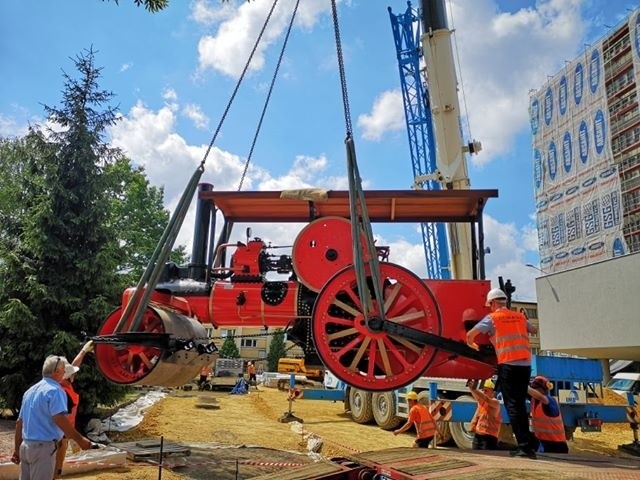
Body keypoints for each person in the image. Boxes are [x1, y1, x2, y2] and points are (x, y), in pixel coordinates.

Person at [466, 287, 538, 459]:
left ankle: (524, 447)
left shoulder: (493, 318)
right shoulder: (519, 316)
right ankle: (527, 444)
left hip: (509, 365)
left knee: (513, 406)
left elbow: (470, 334)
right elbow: (534, 330)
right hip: (526, 365)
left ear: (492, 303)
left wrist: (474, 345)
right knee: (520, 404)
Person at [12, 355, 94, 480]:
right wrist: (80, 440)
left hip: (26, 447)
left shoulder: (30, 391)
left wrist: (17, 450)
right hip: (43, 449)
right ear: (57, 372)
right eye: (63, 370)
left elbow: (19, 423)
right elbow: (59, 419)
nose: (65, 372)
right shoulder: (55, 390)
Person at [54, 341, 94, 478]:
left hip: (63, 433)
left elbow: (73, 366)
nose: (74, 375)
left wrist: (84, 351)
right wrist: (78, 438)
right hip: (59, 435)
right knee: (56, 466)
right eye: (73, 374)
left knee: (55, 464)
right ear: (69, 377)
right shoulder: (62, 392)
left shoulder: (62, 384)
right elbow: (60, 418)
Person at [528, 375, 569, 454]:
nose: (533, 392)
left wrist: (522, 385)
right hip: (544, 444)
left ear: (542, 390)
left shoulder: (550, 401)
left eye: (535, 389)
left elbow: (541, 397)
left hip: (557, 446)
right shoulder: (534, 401)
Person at [468, 378, 502, 450]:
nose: (483, 392)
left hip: (489, 438)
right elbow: (477, 397)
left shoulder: (495, 402)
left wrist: (474, 389)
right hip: (478, 436)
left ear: (492, 392)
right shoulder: (482, 402)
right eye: (482, 390)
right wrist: (471, 387)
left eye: (486, 390)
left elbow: (487, 399)